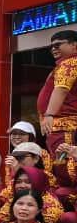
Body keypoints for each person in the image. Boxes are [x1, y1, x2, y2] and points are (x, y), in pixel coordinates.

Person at [38, 29, 77, 158]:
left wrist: (49, 114)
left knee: (67, 169)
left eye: (58, 44)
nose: (53, 48)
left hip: (66, 129)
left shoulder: (70, 63)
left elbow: (62, 89)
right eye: (51, 46)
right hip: (61, 128)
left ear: (74, 45)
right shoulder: (64, 64)